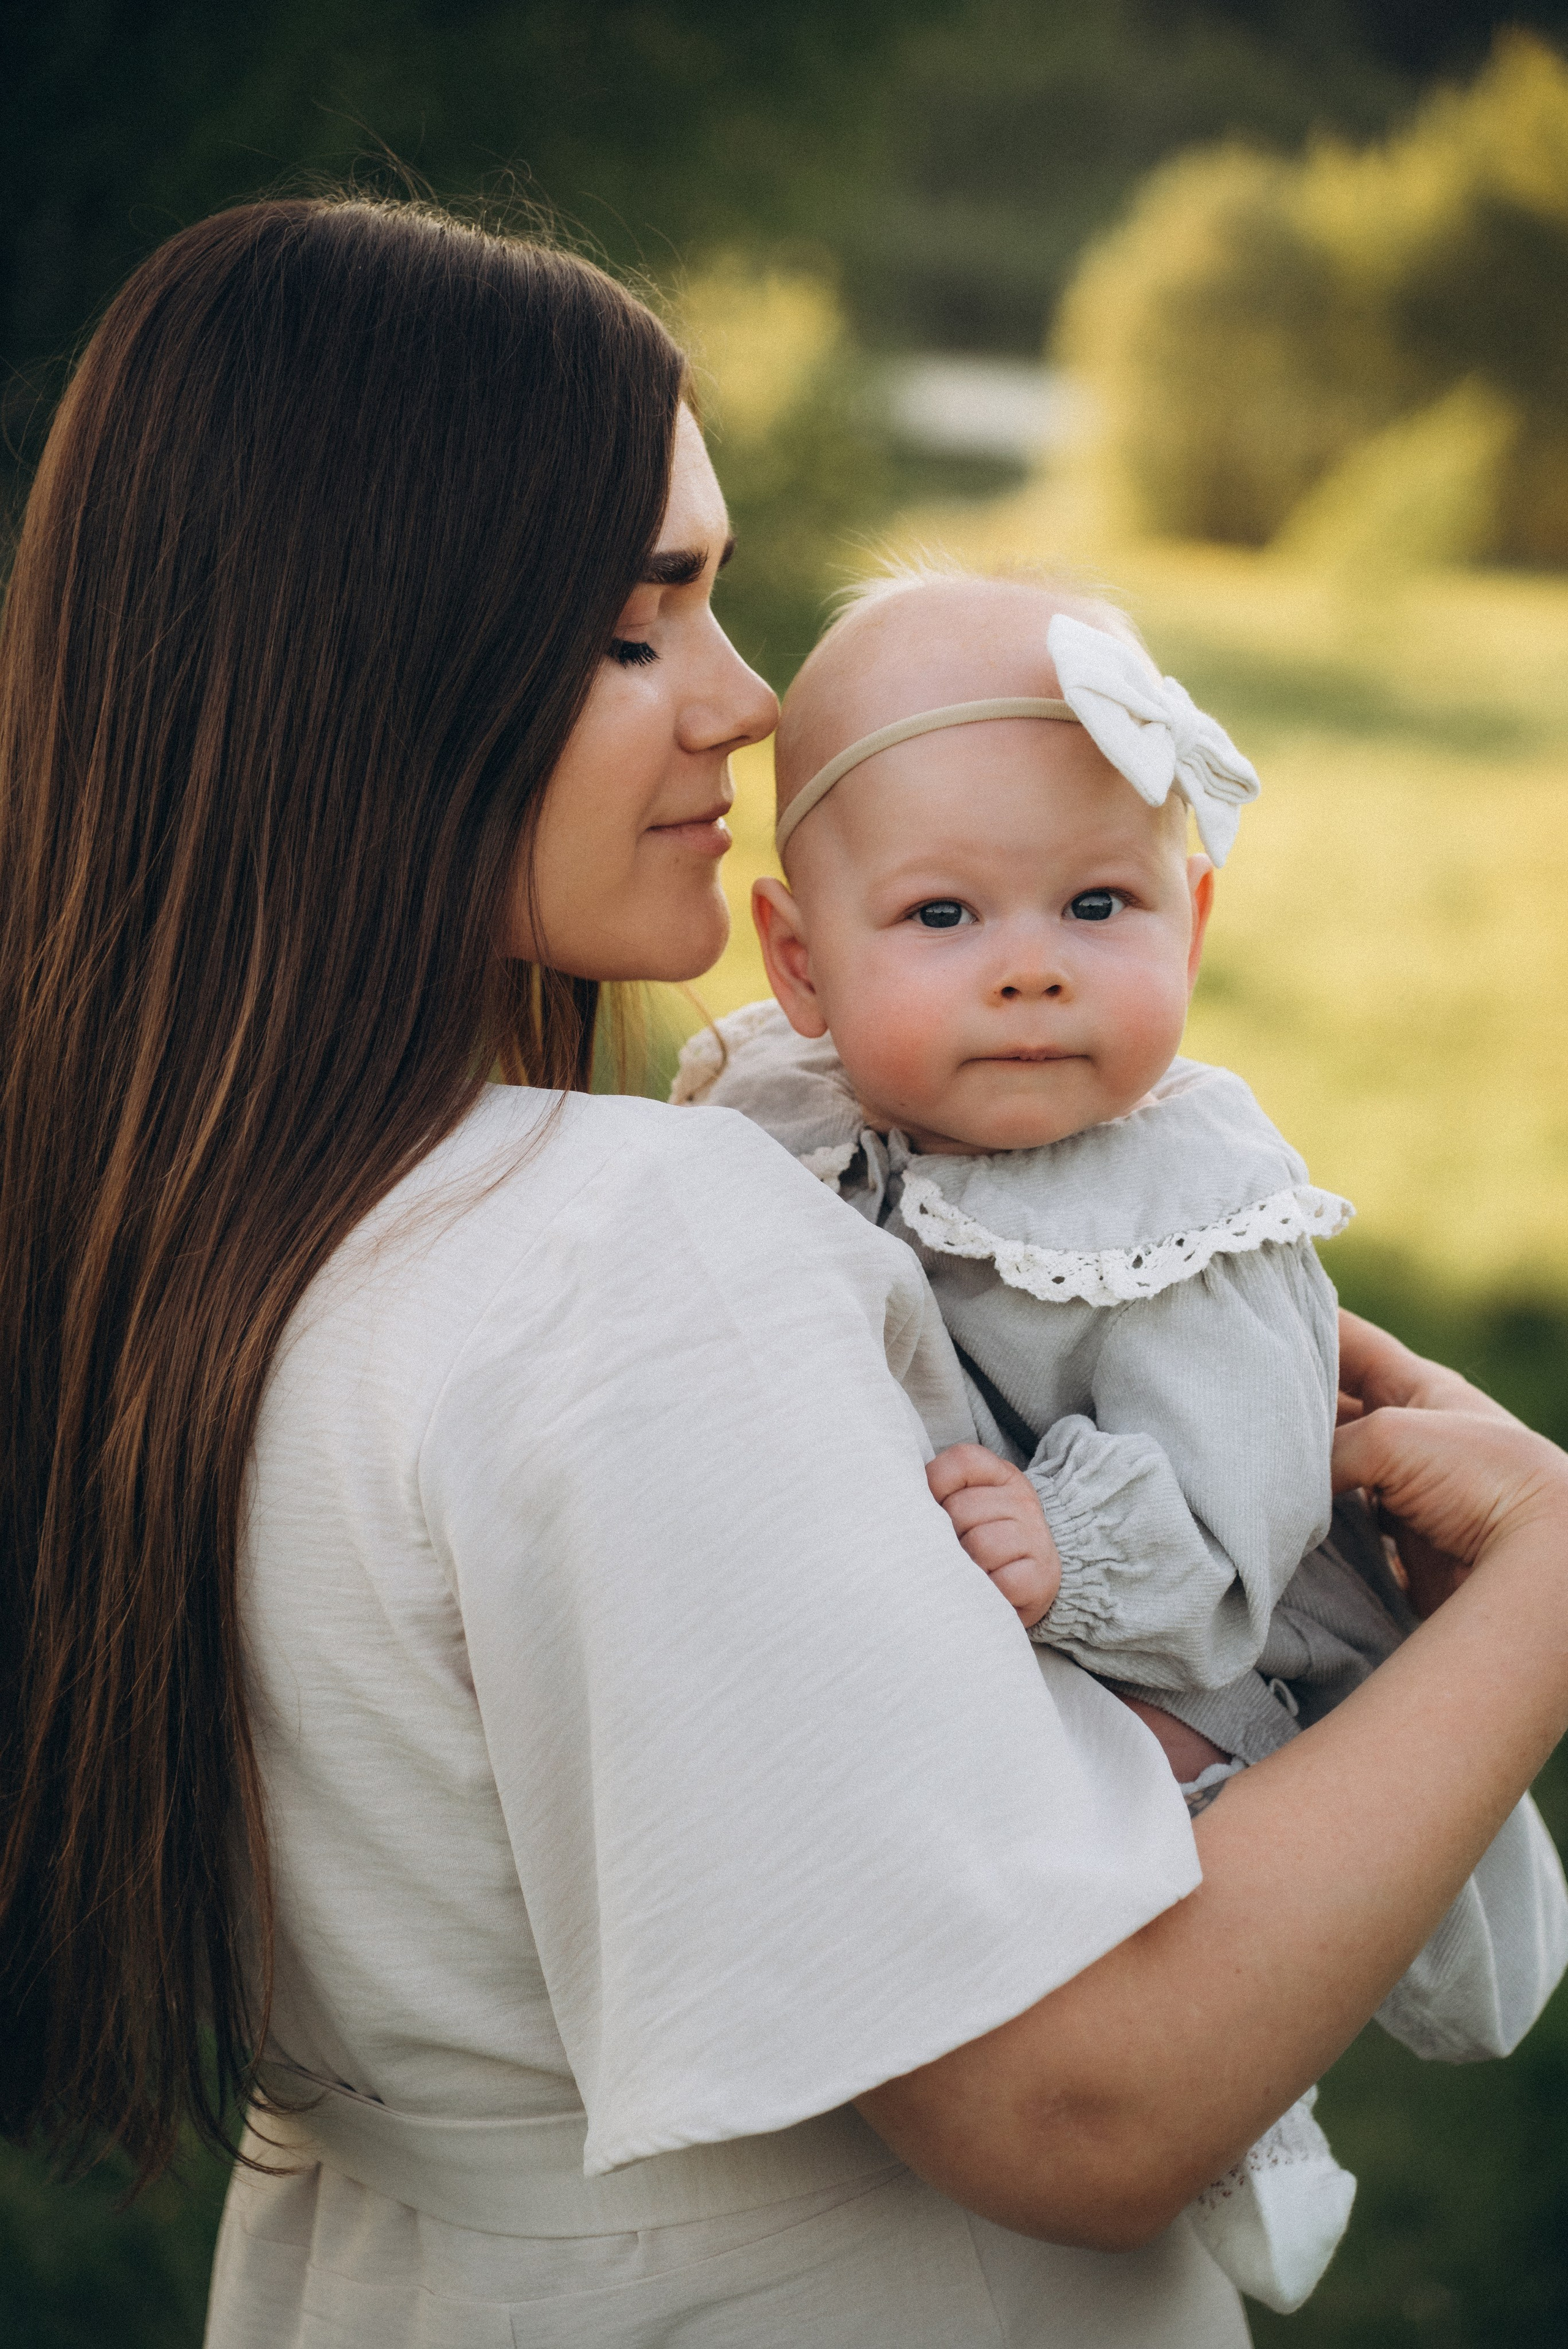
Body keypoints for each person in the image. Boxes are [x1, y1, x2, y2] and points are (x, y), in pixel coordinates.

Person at [2, 198, 1566, 2349]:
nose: (743, 707)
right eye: (644, 626)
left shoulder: (173, 1227)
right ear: (372, 664)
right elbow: (1086, 2097)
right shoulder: (623, 1246)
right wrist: (1552, 1574)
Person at [673, 562, 1568, 2310]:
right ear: (797, 957)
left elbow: (1241, 1502)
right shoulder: (767, 1107)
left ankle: (1245, 2112)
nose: (1029, 974)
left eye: (1098, 904)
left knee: (1154, 1802)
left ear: (1195, 921)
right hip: (939, 1632)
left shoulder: (1195, 1205)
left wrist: (1077, 1550)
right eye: (943, 920)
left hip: (1174, 1634)